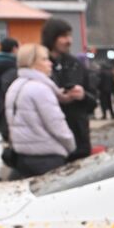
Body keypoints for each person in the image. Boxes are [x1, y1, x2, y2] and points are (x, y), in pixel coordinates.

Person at [4, 43, 76, 179]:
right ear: (32, 63)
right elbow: (57, 124)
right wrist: (70, 145)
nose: (50, 63)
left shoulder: (15, 85)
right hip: (46, 158)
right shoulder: (40, 89)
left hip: (22, 156)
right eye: (44, 59)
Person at [41, 18, 94, 159]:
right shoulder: (39, 66)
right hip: (51, 143)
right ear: (52, 38)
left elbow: (93, 102)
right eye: (63, 36)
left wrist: (83, 96)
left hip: (79, 139)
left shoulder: (76, 65)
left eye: (69, 36)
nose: (69, 41)